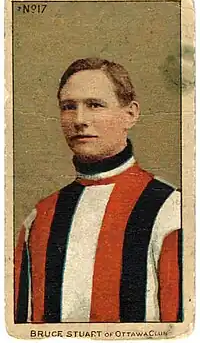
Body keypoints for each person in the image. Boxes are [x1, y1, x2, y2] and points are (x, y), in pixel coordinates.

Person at [15, 58, 182, 324]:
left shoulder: (171, 210)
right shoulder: (40, 217)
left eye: (94, 105)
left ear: (130, 114)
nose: (80, 120)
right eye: (69, 107)